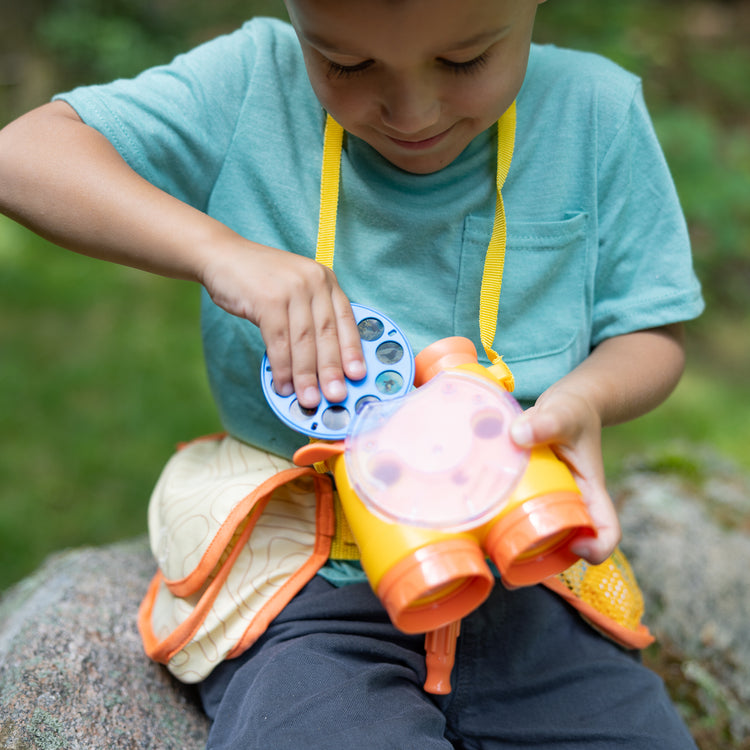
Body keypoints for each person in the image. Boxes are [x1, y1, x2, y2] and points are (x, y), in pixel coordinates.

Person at [0, 0, 704, 747]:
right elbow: (21, 156)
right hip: (312, 577)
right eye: (346, 64)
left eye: (464, 62)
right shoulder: (252, 86)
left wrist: (587, 396)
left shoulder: (595, 112)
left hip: (526, 569)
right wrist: (218, 252)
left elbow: (649, 330)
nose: (411, 110)